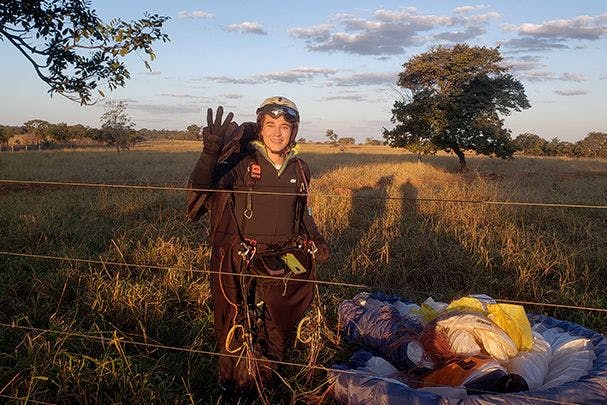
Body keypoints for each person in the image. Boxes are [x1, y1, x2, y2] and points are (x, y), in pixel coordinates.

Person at [186, 96, 330, 398]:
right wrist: (210, 153)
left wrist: (316, 239)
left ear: (294, 130)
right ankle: (233, 387)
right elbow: (202, 189)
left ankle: (268, 379)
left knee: (279, 324)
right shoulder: (242, 164)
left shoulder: (301, 168)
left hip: (283, 260)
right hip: (244, 259)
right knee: (237, 322)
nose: (277, 133)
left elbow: (303, 213)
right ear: (260, 129)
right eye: (270, 125)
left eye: (284, 126)